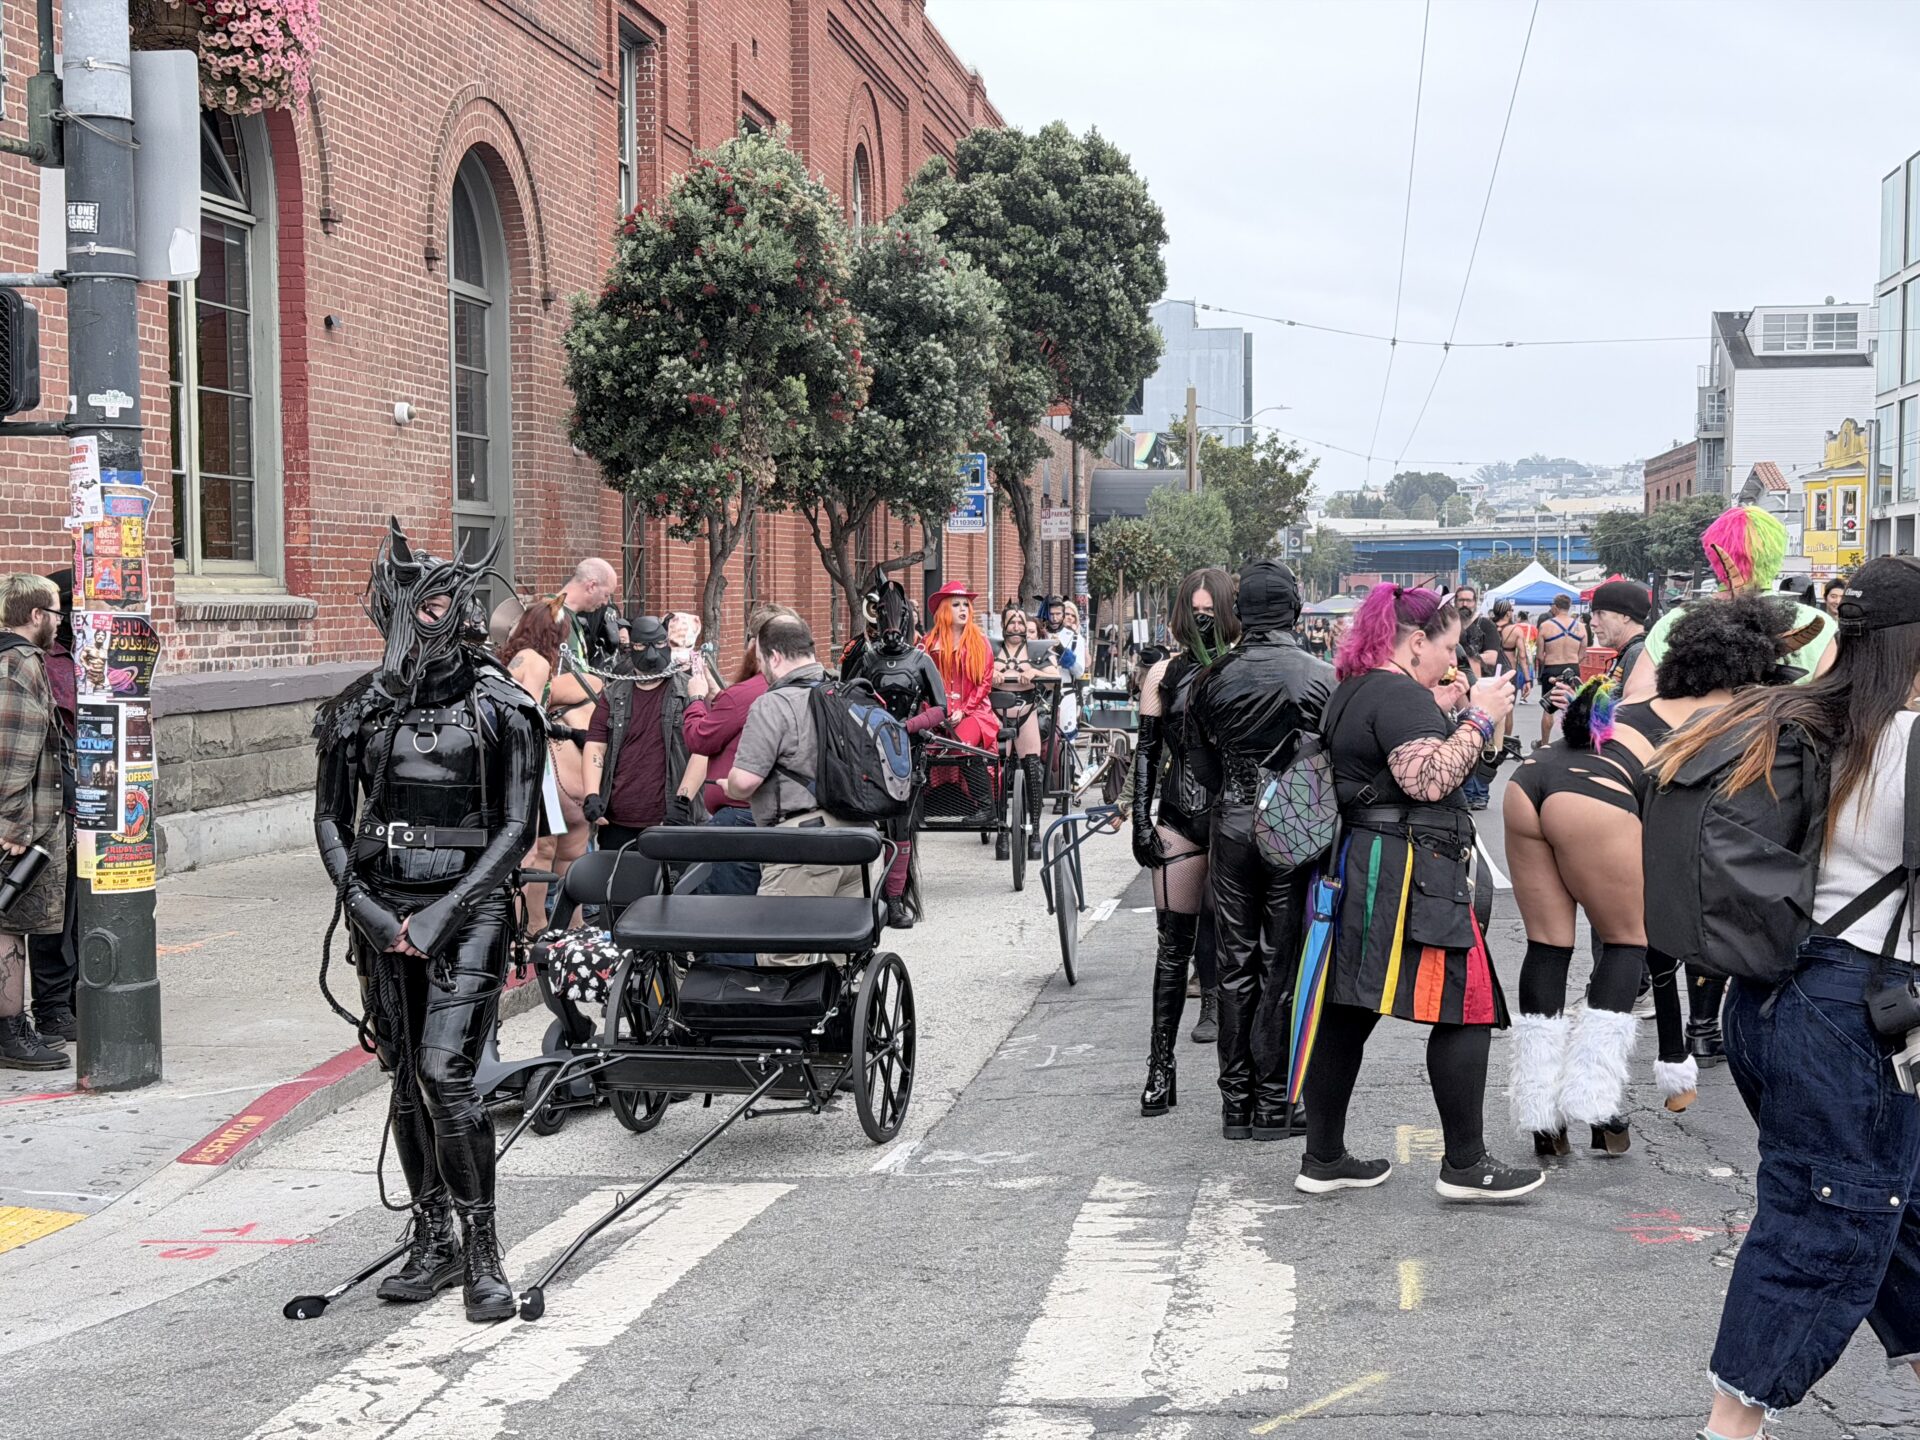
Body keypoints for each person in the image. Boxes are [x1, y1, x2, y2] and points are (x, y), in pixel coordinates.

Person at [1656, 556, 1920, 1440]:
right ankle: (1730, 1428)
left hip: (1771, 995)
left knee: (1895, 1210)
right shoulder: (1904, 743)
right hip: (1863, 1009)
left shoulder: (1794, 720)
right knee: (1829, 1218)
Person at [312, 522, 542, 1322]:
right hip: (382, 906)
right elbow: (331, 819)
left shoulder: (503, 707)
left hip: (469, 908)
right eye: (417, 604)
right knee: (407, 1075)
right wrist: (369, 911)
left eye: (444, 602)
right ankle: (433, 1236)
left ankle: (483, 1249)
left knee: (447, 1073)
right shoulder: (357, 711)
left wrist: (447, 910)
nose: (431, 619)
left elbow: (517, 828)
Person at [1300, 584, 1541, 1201]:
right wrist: (1479, 716)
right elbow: (1428, 780)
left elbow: (1392, 759)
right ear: (1413, 643)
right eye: (1447, 647)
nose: (1452, 660)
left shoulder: (1354, 688)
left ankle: (1322, 1157)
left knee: (1347, 1011)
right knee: (1467, 1005)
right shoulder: (1399, 695)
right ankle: (1464, 1163)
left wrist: (1442, 710)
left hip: (1364, 866)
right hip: (1411, 872)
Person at [1606, 596, 1813, 1088]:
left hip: (1622, 830)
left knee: (1616, 938)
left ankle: (1616, 1077)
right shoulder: (1740, 720)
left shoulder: (1635, 707)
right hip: (1701, 865)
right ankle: (1700, 1030)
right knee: (1714, 900)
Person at [1185, 561, 1333, 1141]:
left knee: (1234, 962)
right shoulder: (1322, 676)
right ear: (1293, 610)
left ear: (1240, 612)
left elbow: (1200, 766)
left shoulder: (1211, 678)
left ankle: (1237, 1104)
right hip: (1294, 824)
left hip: (1234, 820)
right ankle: (1276, 1100)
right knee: (1282, 960)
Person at [1131, 567, 1238, 1119]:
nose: (1202, 621)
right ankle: (1160, 1066)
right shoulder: (1163, 674)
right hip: (1179, 819)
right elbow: (1147, 752)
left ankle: (1240, 1077)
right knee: (1172, 949)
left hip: (1237, 818)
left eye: (1210, 612)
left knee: (1242, 948)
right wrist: (1139, 820)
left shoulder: (1241, 669)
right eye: (1194, 612)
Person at [725, 616, 862, 963]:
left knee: (781, 958)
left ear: (774, 657)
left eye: (760, 660)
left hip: (802, 846)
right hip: (856, 839)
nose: (761, 669)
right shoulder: (845, 692)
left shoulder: (774, 703)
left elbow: (745, 781)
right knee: (846, 958)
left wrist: (731, 785)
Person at [1623, 504, 1835, 704]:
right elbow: (1832, 700)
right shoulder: (1819, 624)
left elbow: (1635, 694)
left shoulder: (1677, 620)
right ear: (1777, 553)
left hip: (1696, 728)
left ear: (1713, 556)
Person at [843, 581, 946, 928]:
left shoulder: (921, 660)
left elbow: (941, 708)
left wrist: (909, 726)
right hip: (871, 750)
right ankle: (858, 896)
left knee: (901, 827)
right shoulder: (866, 658)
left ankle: (895, 900)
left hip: (908, 751)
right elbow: (848, 697)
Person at [0, 575, 70, 1071]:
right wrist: (13, 825)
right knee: (10, 926)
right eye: (57, 612)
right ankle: (11, 1033)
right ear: (36, 615)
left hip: (23, 820)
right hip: (20, 826)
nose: (61, 623)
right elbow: (14, 754)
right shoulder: (21, 662)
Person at [497, 597, 599, 936]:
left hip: (519, 760)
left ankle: (535, 923)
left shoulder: (516, 657)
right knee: (539, 849)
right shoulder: (538, 663)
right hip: (529, 762)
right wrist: (564, 732)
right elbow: (525, 719)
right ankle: (533, 925)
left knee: (540, 848)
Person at [582, 616, 697, 853]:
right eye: (642, 645)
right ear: (631, 647)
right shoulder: (613, 694)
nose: (652, 653)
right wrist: (592, 794)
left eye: (660, 643)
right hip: (617, 822)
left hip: (670, 820)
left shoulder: (689, 691)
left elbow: (703, 749)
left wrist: (682, 801)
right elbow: (596, 745)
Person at [26, 568, 77, 1042]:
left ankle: (74, 998)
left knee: (80, 907)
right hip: (51, 800)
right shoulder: (40, 660)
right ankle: (53, 1007)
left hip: (91, 796)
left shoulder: (88, 655)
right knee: (50, 912)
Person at [921, 581, 999, 822]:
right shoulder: (927, 643)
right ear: (944, 609)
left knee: (962, 745)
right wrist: (935, 712)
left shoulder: (980, 642)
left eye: (966, 604)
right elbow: (921, 683)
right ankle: (920, 804)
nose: (963, 609)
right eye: (956, 605)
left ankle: (986, 807)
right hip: (936, 714)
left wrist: (963, 710)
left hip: (975, 713)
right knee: (918, 747)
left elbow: (984, 683)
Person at [991, 603, 1059, 863]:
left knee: (1032, 770)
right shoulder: (991, 649)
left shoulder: (1037, 650)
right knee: (998, 770)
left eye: (1021, 622)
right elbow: (976, 673)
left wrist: (1035, 672)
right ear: (1003, 625)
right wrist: (991, 673)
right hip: (997, 712)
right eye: (1012, 621)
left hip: (1026, 710)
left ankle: (1035, 833)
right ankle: (1001, 831)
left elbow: (1054, 676)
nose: (1017, 626)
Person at [558, 557, 626, 675]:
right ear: (592, 586)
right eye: (606, 595)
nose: (606, 603)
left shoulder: (570, 616)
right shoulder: (549, 616)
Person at [1535, 594, 1586, 748]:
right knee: (1572, 707)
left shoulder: (1545, 626)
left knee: (1548, 709)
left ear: (1555, 607)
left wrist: (1549, 661)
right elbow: (1583, 654)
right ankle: (1572, 743)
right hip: (1573, 668)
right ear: (1569, 607)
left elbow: (1539, 655)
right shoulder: (1581, 627)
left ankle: (1544, 744)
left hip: (1552, 667)